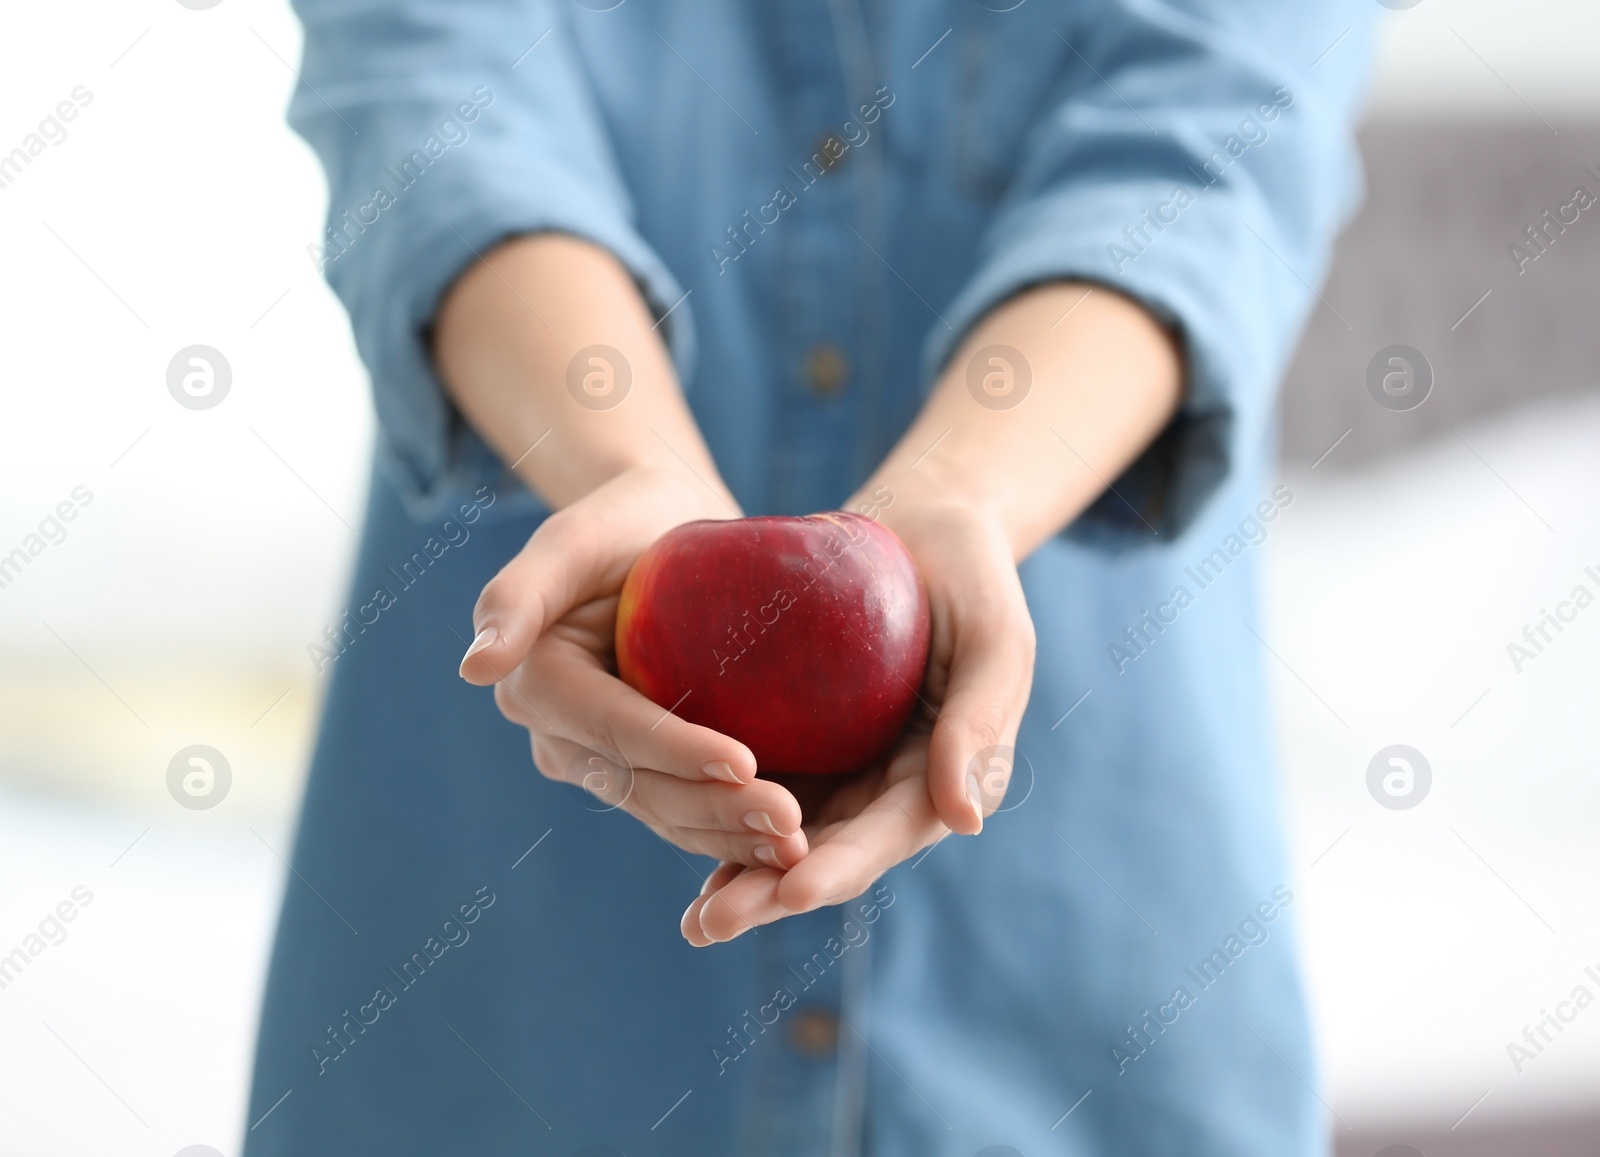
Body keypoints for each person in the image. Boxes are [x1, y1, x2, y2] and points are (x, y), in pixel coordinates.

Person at [246, 2, 1375, 1153]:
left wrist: (963, 497)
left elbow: (1206, 148)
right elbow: (440, 112)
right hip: (512, 974)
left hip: (1090, 970)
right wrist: (629, 469)